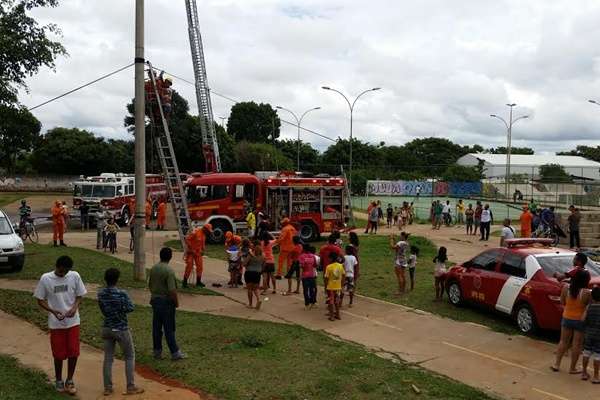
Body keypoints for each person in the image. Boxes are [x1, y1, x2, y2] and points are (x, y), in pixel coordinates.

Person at [34, 255, 87, 394]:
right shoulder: (46, 278)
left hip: (73, 322)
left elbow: (80, 294)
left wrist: (75, 307)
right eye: (62, 271)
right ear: (57, 267)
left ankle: (69, 380)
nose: (64, 274)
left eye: (67, 271)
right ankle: (58, 380)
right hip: (56, 324)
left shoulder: (74, 275)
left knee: (73, 352)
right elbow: (40, 300)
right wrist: (53, 310)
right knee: (58, 354)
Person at [97, 268, 144, 396]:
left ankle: (108, 387)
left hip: (107, 328)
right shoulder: (122, 294)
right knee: (129, 356)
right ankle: (130, 386)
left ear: (105, 279)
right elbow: (130, 308)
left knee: (108, 358)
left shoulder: (100, 294)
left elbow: (103, 309)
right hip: (121, 328)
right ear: (117, 279)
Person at [148, 247, 186, 360]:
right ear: (170, 257)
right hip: (166, 302)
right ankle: (175, 352)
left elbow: (150, 285)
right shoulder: (169, 271)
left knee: (156, 327)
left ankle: (157, 351)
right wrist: (176, 302)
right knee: (169, 327)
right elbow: (172, 290)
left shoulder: (154, 268)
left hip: (155, 300)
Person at [551, 269, 591, 373]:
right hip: (580, 320)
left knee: (563, 341)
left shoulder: (566, 288)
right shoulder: (586, 292)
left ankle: (556, 364)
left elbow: (562, 301)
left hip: (567, 317)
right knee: (576, 344)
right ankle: (572, 368)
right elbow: (588, 307)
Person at [183, 224, 212, 288]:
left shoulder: (204, 234)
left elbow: (202, 243)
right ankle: (184, 283)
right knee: (189, 266)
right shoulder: (195, 232)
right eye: (208, 231)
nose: (208, 232)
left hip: (198, 253)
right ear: (205, 229)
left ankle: (198, 282)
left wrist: (203, 250)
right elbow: (187, 239)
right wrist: (191, 248)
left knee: (200, 267)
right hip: (191, 252)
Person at [581, 287, 600, 382]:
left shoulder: (589, 307)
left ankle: (584, 373)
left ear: (592, 297)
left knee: (586, 353)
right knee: (597, 356)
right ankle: (596, 376)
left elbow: (582, 319)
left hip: (588, 334)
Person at [324, 252, 345, 321]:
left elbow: (326, 278)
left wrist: (326, 287)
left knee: (331, 301)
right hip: (338, 287)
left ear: (331, 258)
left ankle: (332, 316)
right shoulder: (340, 266)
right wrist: (342, 285)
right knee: (337, 301)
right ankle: (338, 315)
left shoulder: (329, 267)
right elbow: (343, 275)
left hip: (331, 287)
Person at [244, 244, 264, 310]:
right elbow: (264, 264)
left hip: (249, 272)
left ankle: (250, 304)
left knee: (249, 289)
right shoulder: (262, 257)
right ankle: (258, 299)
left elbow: (244, 263)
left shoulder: (250, 256)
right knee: (255, 288)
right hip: (257, 273)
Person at [298, 244, 318, 309]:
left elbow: (301, 266)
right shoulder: (313, 256)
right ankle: (313, 303)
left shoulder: (301, 256)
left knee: (306, 290)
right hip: (312, 275)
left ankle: (307, 304)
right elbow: (315, 265)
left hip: (305, 276)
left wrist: (300, 276)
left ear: (303, 249)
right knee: (312, 289)